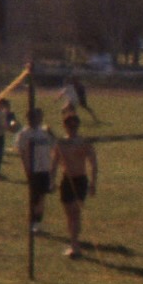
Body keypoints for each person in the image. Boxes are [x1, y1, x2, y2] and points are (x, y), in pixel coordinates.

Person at [52, 110, 97, 257]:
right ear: (65, 126)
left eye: (75, 126)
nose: (72, 128)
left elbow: (93, 164)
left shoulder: (84, 142)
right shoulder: (61, 143)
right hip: (67, 180)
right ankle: (73, 242)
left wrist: (93, 183)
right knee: (69, 214)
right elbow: (54, 163)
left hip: (80, 180)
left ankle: (75, 245)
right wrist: (52, 181)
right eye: (70, 126)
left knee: (75, 213)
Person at [17, 107, 59, 231]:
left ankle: (38, 221)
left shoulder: (45, 132)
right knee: (34, 197)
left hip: (45, 168)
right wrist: (27, 169)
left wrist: (53, 135)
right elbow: (22, 152)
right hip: (33, 169)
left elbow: (56, 146)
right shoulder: (25, 133)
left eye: (39, 116)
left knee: (42, 196)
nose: (38, 119)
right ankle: (32, 221)